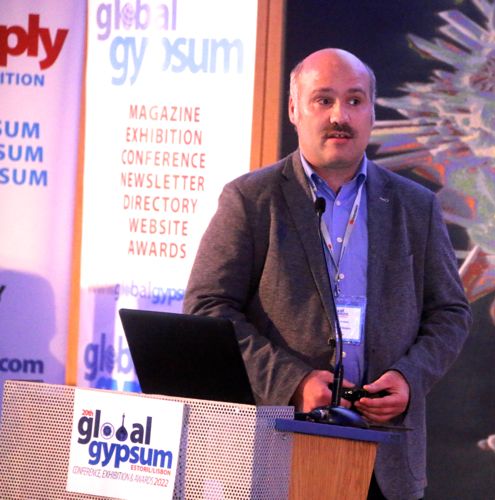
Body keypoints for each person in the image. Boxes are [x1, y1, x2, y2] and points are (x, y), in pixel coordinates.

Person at [184, 48, 471, 500]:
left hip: (384, 461)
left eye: (355, 100)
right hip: (275, 451)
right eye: (323, 100)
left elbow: (450, 313)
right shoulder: (251, 199)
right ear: (294, 109)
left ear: (372, 113)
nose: (341, 116)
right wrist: (292, 382)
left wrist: (410, 378)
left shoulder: (416, 206)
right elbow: (206, 308)